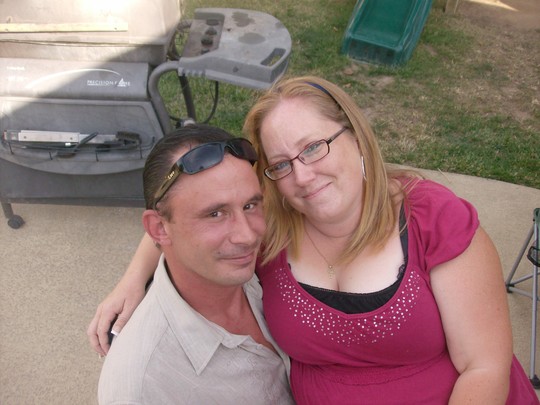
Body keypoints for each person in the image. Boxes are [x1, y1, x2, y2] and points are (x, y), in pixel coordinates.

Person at [89, 76, 539, 404]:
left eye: (313, 147)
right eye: (282, 164)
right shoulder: (269, 226)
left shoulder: (430, 219)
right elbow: (191, 212)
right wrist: (134, 277)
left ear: (356, 137)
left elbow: (485, 367)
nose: (303, 176)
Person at [96, 124, 293, 405]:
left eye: (250, 205)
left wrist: (134, 276)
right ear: (159, 229)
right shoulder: (141, 387)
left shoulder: (268, 256)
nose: (248, 236)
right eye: (215, 214)